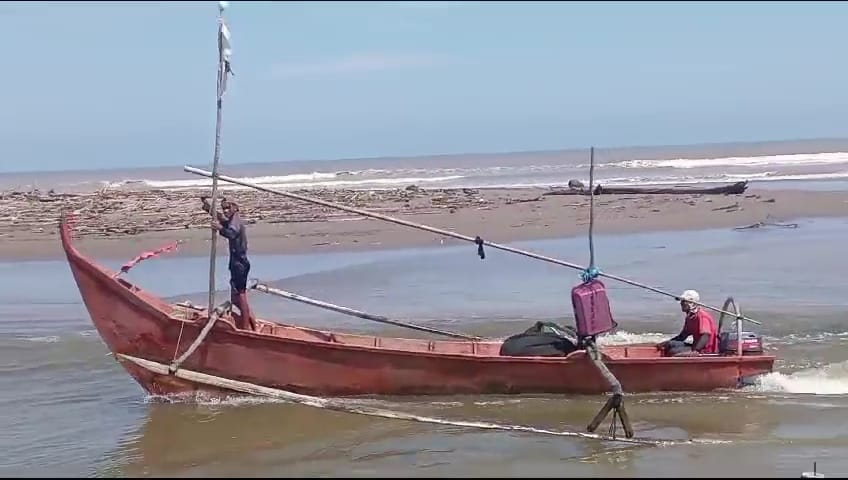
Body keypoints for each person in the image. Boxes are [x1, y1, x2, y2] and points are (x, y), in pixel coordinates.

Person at [201, 195, 256, 331]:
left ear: (235, 208)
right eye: (224, 208)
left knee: (240, 294)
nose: (225, 210)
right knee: (236, 296)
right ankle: (250, 319)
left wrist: (219, 228)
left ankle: (245, 327)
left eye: (228, 208)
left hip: (239, 263)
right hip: (236, 263)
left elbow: (231, 233)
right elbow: (222, 219)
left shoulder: (236, 221)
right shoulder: (232, 219)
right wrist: (208, 207)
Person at [656, 289, 718, 356]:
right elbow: (682, 336)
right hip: (695, 346)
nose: (681, 303)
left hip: (705, 350)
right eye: (682, 301)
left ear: (692, 303)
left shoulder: (702, 316)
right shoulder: (690, 317)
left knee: (673, 351)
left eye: (684, 301)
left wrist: (695, 351)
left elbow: (706, 335)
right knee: (669, 344)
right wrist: (666, 343)